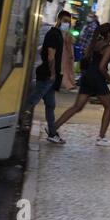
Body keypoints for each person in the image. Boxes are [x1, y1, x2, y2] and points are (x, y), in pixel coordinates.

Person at [54, 23, 110, 147]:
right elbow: (102, 67)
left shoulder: (96, 43)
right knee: (109, 107)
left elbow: (89, 59)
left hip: (87, 77)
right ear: (108, 34)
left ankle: (53, 128)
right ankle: (101, 137)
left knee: (77, 107)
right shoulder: (108, 48)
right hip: (97, 79)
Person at [23, 11, 72, 144]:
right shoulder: (54, 35)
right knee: (33, 100)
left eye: (69, 21)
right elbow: (51, 55)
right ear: (59, 19)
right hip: (48, 75)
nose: (67, 24)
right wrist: (52, 73)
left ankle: (52, 133)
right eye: (65, 20)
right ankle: (18, 119)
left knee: (50, 104)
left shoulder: (58, 35)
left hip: (50, 76)